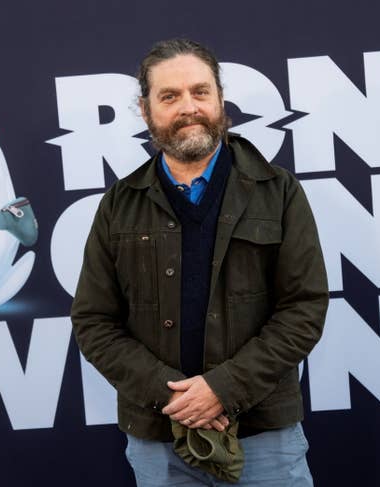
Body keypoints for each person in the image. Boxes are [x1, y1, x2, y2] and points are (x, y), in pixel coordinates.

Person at [71, 38, 328, 486]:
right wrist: (173, 397)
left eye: (200, 91)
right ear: (145, 109)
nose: (188, 106)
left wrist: (223, 389)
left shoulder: (278, 191)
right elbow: (94, 322)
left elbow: (303, 309)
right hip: (159, 440)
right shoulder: (119, 205)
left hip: (263, 436)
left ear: (220, 98)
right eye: (169, 96)